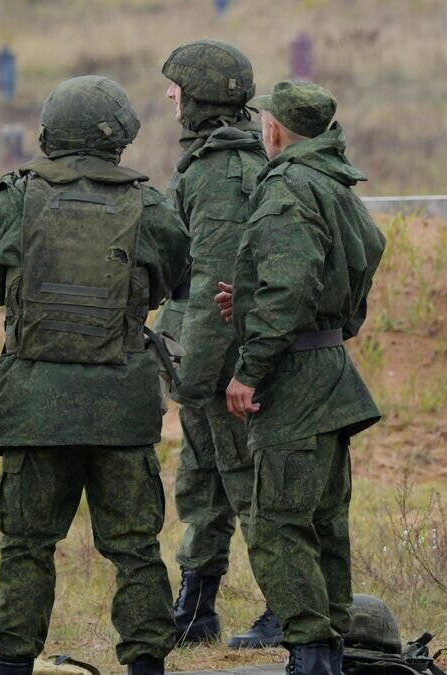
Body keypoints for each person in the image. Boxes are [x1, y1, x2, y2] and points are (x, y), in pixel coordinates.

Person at [0, 76, 189, 675]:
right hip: (121, 407)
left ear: (50, 131)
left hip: (34, 406)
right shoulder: (152, 207)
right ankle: (146, 666)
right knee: (136, 550)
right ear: (118, 138)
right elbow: (173, 278)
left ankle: (13, 665)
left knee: (26, 547)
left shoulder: (10, 201)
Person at [215, 80, 386, 675]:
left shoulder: (288, 186)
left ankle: (312, 655)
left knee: (280, 525)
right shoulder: (333, 182)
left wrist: (249, 369)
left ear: (276, 130)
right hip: (330, 371)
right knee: (324, 521)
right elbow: (365, 251)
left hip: (295, 384)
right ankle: (330, 647)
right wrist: (275, 309)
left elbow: (291, 287)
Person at [156, 38, 283, 650]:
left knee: (245, 482)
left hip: (220, 361)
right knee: (202, 485)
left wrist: (200, 376)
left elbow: (214, 281)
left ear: (201, 96)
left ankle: (287, 607)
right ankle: (197, 607)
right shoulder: (211, 163)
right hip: (204, 359)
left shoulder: (222, 173)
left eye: (178, 87)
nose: (170, 96)